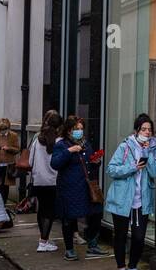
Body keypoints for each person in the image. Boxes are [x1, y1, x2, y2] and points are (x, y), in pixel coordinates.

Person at [105, 113, 156, 270]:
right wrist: (132, 167)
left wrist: (147, 153)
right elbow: (111, 169)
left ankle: (133, 267)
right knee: (120, 236)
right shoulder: (125, 147)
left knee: (139, 237)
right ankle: (121, 269)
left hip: (141, 201)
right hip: (122, 199)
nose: (147, 132)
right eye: (143, 129)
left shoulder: (153, 148)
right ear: (137, 130)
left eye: (149, 130)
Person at [51, 115, 106, 260]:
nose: (80, 132)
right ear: (69, 130)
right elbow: (55, 163)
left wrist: (96, 161)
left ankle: (92, 244)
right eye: (76, 129)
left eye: (81, 129)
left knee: (96, 213)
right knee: (69, 218)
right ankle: (69, 249)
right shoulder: (61, 145)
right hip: (70, 188)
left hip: (86, 187)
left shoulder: (86, 144)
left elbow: (88, 164)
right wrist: (69, 151)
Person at [30, 110, 62, 253]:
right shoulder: (58, 141)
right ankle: (43, 242)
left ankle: (43, 239)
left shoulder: (37, 139)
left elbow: (31, 160)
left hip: (38, 180)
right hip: (53, 180)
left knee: (42, 209)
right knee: (49, 212)